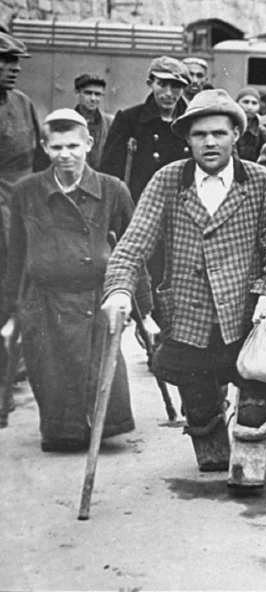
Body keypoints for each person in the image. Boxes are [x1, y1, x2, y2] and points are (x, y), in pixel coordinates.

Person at [101, 89, 266, 488]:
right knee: (201, 414)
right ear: (187, 138)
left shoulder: (259, 181)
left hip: (246, 317)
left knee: (254, 402)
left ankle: (250, 457)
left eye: (220, 132)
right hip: (189, 317)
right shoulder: (169, 180)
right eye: (199, 134)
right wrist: (117, 289)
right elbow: (134, 243)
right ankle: (209, 433)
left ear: (237, 134)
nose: (210, 142)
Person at [4, 109, 156, 452]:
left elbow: (134, 249)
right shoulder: (27, 191)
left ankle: (102, 426)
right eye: (56, 147)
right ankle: (62, 431)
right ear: (45, 147)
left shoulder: (112, 189)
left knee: (96, 372)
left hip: (95, 298)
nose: (65, 155)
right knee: (51, 371)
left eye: (73, 145)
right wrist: (10, 313)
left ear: (88, 143)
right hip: (45, 300)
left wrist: (145, 308)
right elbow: (16, 255)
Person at [99, 56, 191, 329]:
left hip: (183, 213)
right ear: (150, 83)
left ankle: (169, 334)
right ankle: (150, 330)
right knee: (146, 276)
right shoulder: (130, 119)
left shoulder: (191, 121)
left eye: (177, 86)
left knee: (178, 277)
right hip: (142, 212)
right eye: (163, 84)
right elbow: (110, 171)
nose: (169, 93)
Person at [0, 32, 47, 229]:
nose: (17, 68)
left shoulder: (22, 103)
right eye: (8, 60)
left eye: (17, 61)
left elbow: (40, 160)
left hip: (19, 212)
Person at [72, 73, 114, 169]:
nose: (93, 98)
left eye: (98, 94)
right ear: (77, 92)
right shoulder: (66, 121)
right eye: (88, 93)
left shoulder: (110, 124)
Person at [235, 86, 266, 163]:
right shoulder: (229, 128)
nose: (249, 107)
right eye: (246, 102)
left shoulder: (262, 132)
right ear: (237, 103)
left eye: (254, 103)